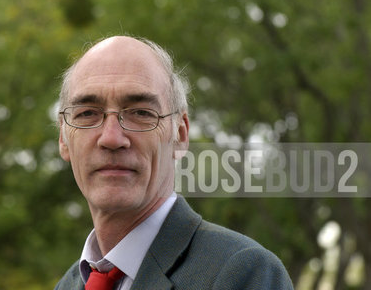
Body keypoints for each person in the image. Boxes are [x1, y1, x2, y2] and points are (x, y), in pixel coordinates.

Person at [54, 35, 294, 289]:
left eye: (141, 113)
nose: (111, 138)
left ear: (180, 134)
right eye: (87, 114)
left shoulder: (243, 274)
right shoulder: (68, 285)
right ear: (63, 138)